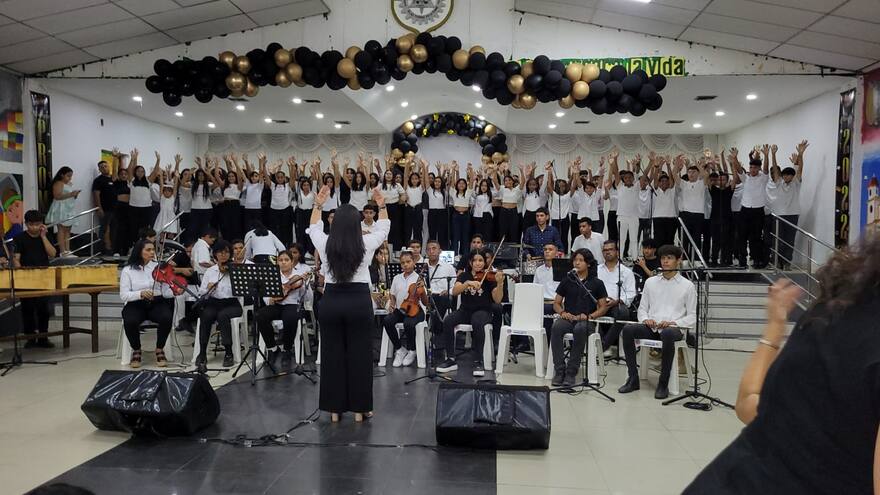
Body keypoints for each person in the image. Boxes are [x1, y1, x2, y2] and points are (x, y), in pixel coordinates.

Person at [308, 184, 389, 422]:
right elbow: (384, 227)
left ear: (334, 224)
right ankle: (361, 408)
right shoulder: (366, 244)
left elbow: (314, 228)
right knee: (360, 355)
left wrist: (318, 205)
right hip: (358, 302)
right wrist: (381, 204)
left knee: (332, 355)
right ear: (357, 225)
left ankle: (334, 410)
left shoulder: (325, 245)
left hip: (331, 301)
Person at [618, 245, 696, 399]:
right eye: (663, 258)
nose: (665, 261)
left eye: (670, 258)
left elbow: (692, 316)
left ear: (678, 261)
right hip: (652, 328)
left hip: (674, 329)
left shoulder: (688, 286)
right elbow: (642, 309)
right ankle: (633, 377)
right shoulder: (651, 282)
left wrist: (673, 322)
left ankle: (663, 382)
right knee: (628, 330)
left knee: (667, 333)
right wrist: (646, 319)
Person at [436, 248, 505, 377]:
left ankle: (478, 360)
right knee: (448, 320)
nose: (478, 263)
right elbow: (455, 291)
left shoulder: (490, 278)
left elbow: (497, 299)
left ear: (485, 262)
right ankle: (451, 359)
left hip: (483, 311)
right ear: (470, 262)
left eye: (481, 260)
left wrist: (500, 283)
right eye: (475, 260)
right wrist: (467, 283)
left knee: (477, 321)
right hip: (465, 310)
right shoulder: (464, 276)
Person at [549, 248, 608, 387]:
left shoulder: (597, 283)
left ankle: (571, 372)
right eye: (575, 260)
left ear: (588, 263)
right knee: (556, 327)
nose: (577, 263)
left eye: (581, 260)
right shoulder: (567, 280)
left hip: (586, 320)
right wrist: (563, 313)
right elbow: (556, 303)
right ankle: (559, 370)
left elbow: (603, 307)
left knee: (580, 329)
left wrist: (589, 316)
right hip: (569, 318)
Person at [119, 238, 173, 368]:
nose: (152, 252)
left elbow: (165, 291)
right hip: (136, 304)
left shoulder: (159, 267)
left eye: (153, 249)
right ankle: (136, 349)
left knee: (166, 317)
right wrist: (140, 294)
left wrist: (174, 291)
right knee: (130, 320)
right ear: (139, 251)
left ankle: (160, 348)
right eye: (148, 250)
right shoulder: (128, 270)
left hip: (157, 302)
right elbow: (123, 295)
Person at [256, 249, 309, 368]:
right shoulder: (272, 275)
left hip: (292, 305)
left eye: (286, 260)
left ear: (291, 262)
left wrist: (305, 285)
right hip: (276, 305)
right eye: (280, 260)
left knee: (290, 317)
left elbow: (307, 298)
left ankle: (287, 350)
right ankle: (273, 348)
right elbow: (266, 294)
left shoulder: (298, 275)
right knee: (260, 315)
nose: (283, 262)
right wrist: (269, 299)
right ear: (277, 262)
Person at [13, 210, 57, 348]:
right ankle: (30, 337)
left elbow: (53, 254)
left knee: (44, 308)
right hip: (26, 277)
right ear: (26, 224)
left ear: (42, 225)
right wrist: (20, 274)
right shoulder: (20, 238)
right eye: (31, 224)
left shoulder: (46, 236)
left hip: (43, 277)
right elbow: (16, 258)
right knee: (28, 308)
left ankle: (43, 337)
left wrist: (43, 237)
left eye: (38, 224)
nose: (34, 227)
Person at [196, 239, 241, 371]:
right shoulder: (210, 271)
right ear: (215, 254)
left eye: (226, 252)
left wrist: (233, 278)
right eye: (220, 252)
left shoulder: (235, 269)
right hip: (214, 302)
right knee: (206, 315)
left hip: (231, 303)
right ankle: (202, 352)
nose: (223, 255)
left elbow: (241, 292)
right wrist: (209, 288)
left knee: (223, 316)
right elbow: (202, 293)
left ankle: (228, 352)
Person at [382, 251, 427, 367]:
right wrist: (392, 303)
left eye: (408, 262)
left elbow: (425, 302)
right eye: (403, 263)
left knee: (408, 323)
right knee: (387, 320)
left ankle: (412, 350)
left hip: (417, 310)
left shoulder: (419, 278)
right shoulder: (397, 278)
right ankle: (400, 349)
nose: (405, 265)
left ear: (414, 263)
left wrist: (422, 291)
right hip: (401, 308)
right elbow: (392, 294)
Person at [767, 141, 807, 270]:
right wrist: (773, 154)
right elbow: (774, 169)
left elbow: (800, 169)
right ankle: (776, 261)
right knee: (778, 240)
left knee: (790, 240)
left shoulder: (796, 183)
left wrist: (801, 154)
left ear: (792, 176)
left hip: (792, 215)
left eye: (789, 174)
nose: (786, 176)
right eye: (784, 175)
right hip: (778, 215)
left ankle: (786, 263)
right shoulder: (779, 183)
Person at [731, 147, 770, 269]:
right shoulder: (745, 178)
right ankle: (742, 260)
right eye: (751, 167)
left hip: (758, 211)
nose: (752, 170)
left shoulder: (763, 178)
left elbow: (766, 169)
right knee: (741, 236)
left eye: (754, 168)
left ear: (758, 168)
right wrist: (735, 157)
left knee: (756, 237)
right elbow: (738, 169)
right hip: (745, 210)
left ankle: (756, 259)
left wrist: (767, 155)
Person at [596, 240, 636, 357]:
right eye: (605, 250)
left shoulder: (626, 272)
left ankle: (603, 345)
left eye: (610, 249)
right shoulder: (596, 270)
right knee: (586, 309)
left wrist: (617, 301)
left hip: (616, 303)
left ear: (617, 252)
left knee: (623, 313)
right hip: (599, 303)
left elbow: (630, 293)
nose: (607, 252)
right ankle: (601, 344)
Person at [676, 155, 710, 261]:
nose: (691, 174)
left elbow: (706, 175)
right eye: (689, 172)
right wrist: (677, 164)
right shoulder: (684, 183)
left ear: (698, 173)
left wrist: (697, 164)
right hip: (686, 214)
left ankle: (696, 261)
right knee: (685, 240)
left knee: (696, 240)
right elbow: (673, 175)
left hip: (698, 215)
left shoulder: (701, 183)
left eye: (694, 172)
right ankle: (685, 261)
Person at [423, 239, 457, 340]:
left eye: (434, 248)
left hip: (442, 296)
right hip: (426, 296)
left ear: (440, 251)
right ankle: (437, 330)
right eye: (428, 249)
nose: (431, 251)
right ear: (426, 252)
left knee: (442, 299)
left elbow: (454, 285)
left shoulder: (449, 267)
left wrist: (448, 291)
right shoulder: (422, 267)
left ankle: (435, 330)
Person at [44, 166, 80, 257]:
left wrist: (74, 195)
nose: (70, 178)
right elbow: (57, 196)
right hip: (61, 208)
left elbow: (69, 196)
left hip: (68, 208)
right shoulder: (58, 183)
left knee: (68, 230)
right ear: (62, 175)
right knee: (61, 229)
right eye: (68, 176)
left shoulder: (69, 184)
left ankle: (68, 250)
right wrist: (71, 194)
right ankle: (62, 251)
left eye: (71, 176)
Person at [611, 150, 640, 260]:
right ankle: (619, 259)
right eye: (626, 177)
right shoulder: (620, 187)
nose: (628, 179)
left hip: (634, 217)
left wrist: (638, 162)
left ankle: (635, 259)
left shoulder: (636, 186)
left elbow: (639, 171)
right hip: (622, 216)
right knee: (621, 239)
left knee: (633, 239)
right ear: (623, 179)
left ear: (633, 178)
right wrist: (615, 159)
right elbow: (615, 171)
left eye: (630, 177)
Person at [532, 242, 562, 337]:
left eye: (550, 249)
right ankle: (524, 343)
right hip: (542, 301)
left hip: (557, 302)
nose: (547, 252)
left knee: (546, 309)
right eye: (545, 249)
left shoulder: (562, 269)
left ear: (557, 253)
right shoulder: (539, 270)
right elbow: (535, 288)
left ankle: (548, 342)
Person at [92, 151, 119, 255]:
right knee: (105, 230)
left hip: (115, 209)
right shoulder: (98, 180)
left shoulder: (112, 178)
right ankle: (105, 250)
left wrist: (115, 158)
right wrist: (99, 208)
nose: (104, 168)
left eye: (105, 166)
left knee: (114, 230)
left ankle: (112, 249)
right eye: (102, 167)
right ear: (99, 169)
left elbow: (115, 172)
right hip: (105, 209)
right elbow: (96, 194)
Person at [650, 155, 678, 248]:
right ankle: (659, 260)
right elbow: (655, 178)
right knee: (658, 240)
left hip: (671, 218)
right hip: (658, 218)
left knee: (669, 241)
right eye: (662, 181)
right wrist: (658, 166)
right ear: (659, 182)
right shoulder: (656, 189)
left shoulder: (671, 190)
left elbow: (671, 178)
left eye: (666, 181)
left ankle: (670, 259)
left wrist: (669, 165)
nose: (664, 182)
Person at [449, 164, 475, 256]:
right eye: (459, 183)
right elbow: (452, 181)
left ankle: (465, 255)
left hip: (466, 216)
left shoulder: (468, 193)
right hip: (456, 215)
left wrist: (471, 170)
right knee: (455, 236)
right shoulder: (453, 192)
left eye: (463, 183)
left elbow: (472, 181)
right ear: (457, 185)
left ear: (465, 185)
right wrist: (453, 170)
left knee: (465, 236)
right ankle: (455, 254)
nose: (461, 185)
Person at [545, 164, 572, 253]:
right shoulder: (554, 195)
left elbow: (574, 184)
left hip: (565, 218)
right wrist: (549, 172)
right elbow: (549, 186)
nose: (561, 187)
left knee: (564, 237)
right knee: (555, 238)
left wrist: (575, 172)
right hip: (555, 218)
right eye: (559, 186)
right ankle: (555, 255)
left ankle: (564, 255)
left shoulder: (568, 195)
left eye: (563, 186)